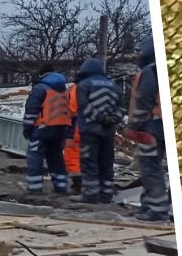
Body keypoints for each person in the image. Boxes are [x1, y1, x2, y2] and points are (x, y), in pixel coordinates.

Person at [128, 38, 170, 221]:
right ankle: (150, 205)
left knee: (150, 168)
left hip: (151, 128)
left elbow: (143, 102)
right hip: (161, 125)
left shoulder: (150, 71)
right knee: (156, 167)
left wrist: (133, 126)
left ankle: (156, 209)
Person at [73, 58, 123, 204]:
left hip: (90, 130)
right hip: (108, 131)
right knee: (106, 162)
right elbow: (121, 108)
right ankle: (106, 194)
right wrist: (114, 119)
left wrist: (100, 118)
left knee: (89, 161)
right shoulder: (115, 86)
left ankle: (90, 194)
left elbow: (84, 106)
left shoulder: (83, 85)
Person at [23, 64, 72, 194]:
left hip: (42, 129)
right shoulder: (64, 89)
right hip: (61, 129)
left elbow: (31, 111)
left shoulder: (40, 88)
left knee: (35, 157)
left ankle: (35, 189)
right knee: (56, 158)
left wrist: (27, 129)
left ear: (42, 75)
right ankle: (61, 186)